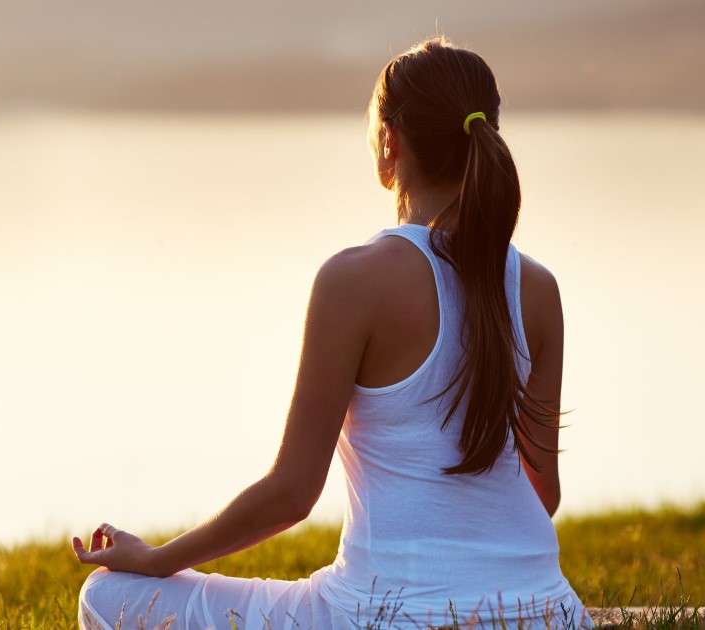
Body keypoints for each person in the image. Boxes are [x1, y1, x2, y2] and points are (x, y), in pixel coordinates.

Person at [73, 36, 594, 630]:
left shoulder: (354, 280)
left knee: (105, 597)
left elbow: (292, 495)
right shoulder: (538, 288)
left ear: (391, 144)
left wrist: (157, 559)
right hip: (548, 612)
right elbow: (540, 495)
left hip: (382, 616)